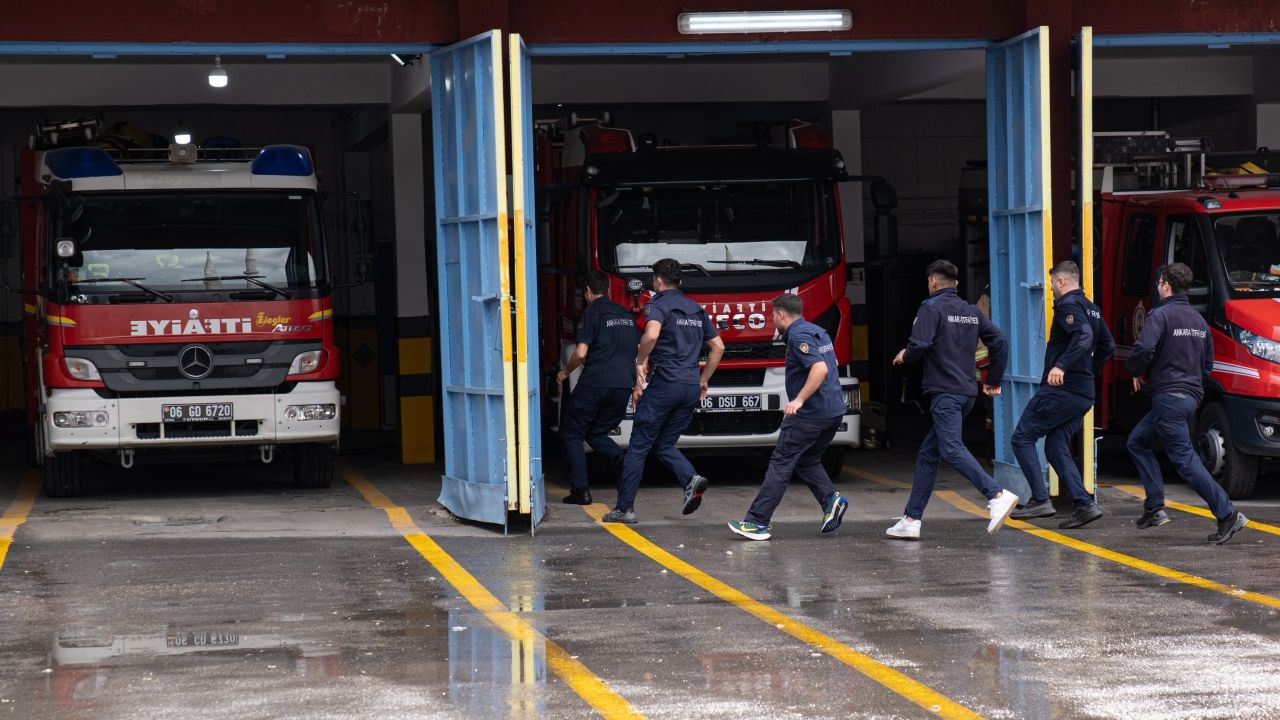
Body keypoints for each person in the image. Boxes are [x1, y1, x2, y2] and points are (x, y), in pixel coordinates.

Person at [886, 259, 1019, 540]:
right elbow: (1000, 341)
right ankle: (911, 519)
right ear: (956, 283)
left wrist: (905, 355)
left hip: (945, 394)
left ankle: (996, 495)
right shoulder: (971, 312)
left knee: (951, 449)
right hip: (966, 394)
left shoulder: (930, 308)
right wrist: (993, 379)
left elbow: (920, 344)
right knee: (928, 455)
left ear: (932, 282)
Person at [1126, 262, 1249, 544]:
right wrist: (1193, 392)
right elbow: (1207, 365)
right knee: (1137, 441)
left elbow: (1144, 348)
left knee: (1185, 460)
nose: (1158, 287)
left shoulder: (1160, 315)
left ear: (1165, 285)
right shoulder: (1199, 321)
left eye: (1159, 283)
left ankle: (1227, 514)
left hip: (1167, 399)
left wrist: (1135, 370)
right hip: (1186, 399)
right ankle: (1154, 507)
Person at [603, 258, 725, 524]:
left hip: (665, 385)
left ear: (657, 280)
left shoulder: (657, 305)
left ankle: (625, 508)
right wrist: (704, 379)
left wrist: (639, 360)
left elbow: (651, 335)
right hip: (689, 387)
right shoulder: (696, 309)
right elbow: (718, 346)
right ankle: (690, 479)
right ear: (680, 281)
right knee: (664, 444)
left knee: (638, 448)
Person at [727, 294, 850, 540]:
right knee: (806, 459)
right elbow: (833, 362)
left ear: (781, 314)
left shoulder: (798, 335)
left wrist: (799, 400)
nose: (773, 320)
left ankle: (757, 522)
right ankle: (830, 500)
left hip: (809, 415)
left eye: (773, 316)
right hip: (833, 412)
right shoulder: (818, 331)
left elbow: (820, 368)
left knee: (780, 464)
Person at [1009, 260, 1116, 528]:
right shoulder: (1092, 308)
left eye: (1051, 283)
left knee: (1022, 437)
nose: (1050, 289)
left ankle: (1040, 499)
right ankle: (1084, 505)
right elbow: (1108, 345)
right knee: (1056, 447)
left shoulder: (1068, 305)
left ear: (1060, 282)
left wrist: (1062, 366)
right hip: (1083, 392)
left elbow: (1083, 336)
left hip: (1062, 390)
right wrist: (1088, 371)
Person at [556, 271, 641, 505]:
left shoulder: (592, 311)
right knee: (595, 433)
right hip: (623, 385)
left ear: (588, 291)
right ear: (608, 289)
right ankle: (622, 462)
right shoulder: (625, 314)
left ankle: (580, 491)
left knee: (572, 433)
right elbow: (637, 352)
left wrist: (564, 373)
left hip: (595, 383)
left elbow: (580, 353)